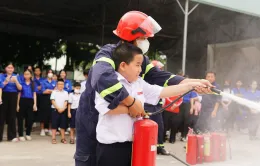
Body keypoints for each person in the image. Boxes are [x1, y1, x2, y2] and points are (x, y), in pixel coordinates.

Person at [75, 11, 212, 165]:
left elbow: (159, 78)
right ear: (132, 37)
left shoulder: (140, 64)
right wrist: (132, 104)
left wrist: (194, 83)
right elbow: (102, 78)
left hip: (122, 137)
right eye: (144, 38)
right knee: (88, 159)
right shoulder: (107, 54)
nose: (146, 42)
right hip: (91, 119)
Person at [95, 43, 205, 166]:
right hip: (112, 148)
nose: (140, 70)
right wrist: (132, 109)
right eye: (137, 65)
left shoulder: (138, 83)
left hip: (135, 144)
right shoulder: (109, 82)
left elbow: (161, 92)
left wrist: (191, 86)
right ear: (123, 65)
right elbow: (104, 107)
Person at [144, 60, 168, 154]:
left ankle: (160, 147)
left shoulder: (159, 81)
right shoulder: (146, 80)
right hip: (147, 106)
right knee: (147, 128)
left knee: (160, 127)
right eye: (159, 69)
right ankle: (147, 147)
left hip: (157, 107)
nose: (160, 71)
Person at [0, 62, 22, 142]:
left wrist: (16, 81)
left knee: (12, 115)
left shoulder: (17, 76)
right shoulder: (1, 76)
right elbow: (1, 86)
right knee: (1, 115)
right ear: (5, 69)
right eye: (8, 67)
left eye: (11, 68)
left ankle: (12, 136)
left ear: (13, 69)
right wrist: (6, 80)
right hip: (4, 95)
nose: (10, 69)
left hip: (13, 96)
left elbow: (20, 88)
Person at [16, 69, 37, 141]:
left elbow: (34, 94)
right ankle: (21, 134)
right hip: (22, 100)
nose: (26, 75)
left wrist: (35, 104)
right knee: (20, 118)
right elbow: (19, 94)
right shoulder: (21, 83)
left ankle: (28, 134)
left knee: (30, 118)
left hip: (30, 101)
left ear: (31, 75)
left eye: (28, 74)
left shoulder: (33, 83)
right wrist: (17, 104)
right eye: (25, 74)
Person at [50, 79, 69, 144]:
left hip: (63, 110)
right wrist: (58, 108)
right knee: (54, 125)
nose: (60, 85)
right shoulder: (54, 92)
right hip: (55, 110)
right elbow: (52, 101)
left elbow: (66, 101)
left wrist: (63, 108)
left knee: (63, 125)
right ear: (57, 85)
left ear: (64, 85)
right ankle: (53, 138)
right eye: (59, 84)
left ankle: (63, 138)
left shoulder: (66, 92)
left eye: (62, 84)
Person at [39, 69, 56, 136]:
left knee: (51, 114)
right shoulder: (43, 82)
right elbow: (43, 91)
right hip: (44, 99)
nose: (50, 73)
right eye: (49, 72)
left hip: (53, 99)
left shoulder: (55, 82)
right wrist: (52, 90)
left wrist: (48, 90)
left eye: (51, 72)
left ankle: (49, 129)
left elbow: (56, 90)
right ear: (46, 74)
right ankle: (42, 129)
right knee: (43, 114)